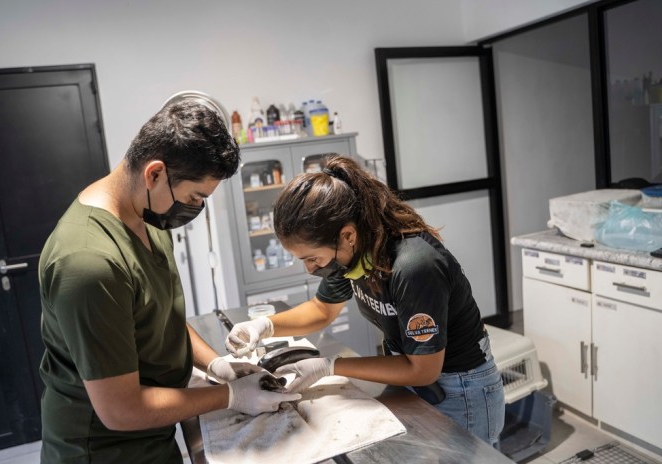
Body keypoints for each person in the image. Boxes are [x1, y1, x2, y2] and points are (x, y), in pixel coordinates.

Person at [38, 99, 300, 463]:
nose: (194, 208)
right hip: (104, 450)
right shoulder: (89, 263)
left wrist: (217, 366)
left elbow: (161, 318)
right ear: (155, 173)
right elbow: (120, 409)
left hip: (154, 434)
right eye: (195, 196)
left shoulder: (146, 217)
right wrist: (231, 396)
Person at [225, 155, 505, 446]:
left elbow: (424, 369)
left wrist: (329, 366)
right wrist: (262, 326)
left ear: (347, 235)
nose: (310, 269)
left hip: (460, 387)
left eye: (311, 258)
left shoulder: (414, 266)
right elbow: (322, 310)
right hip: (409, 372)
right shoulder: (351, 254)